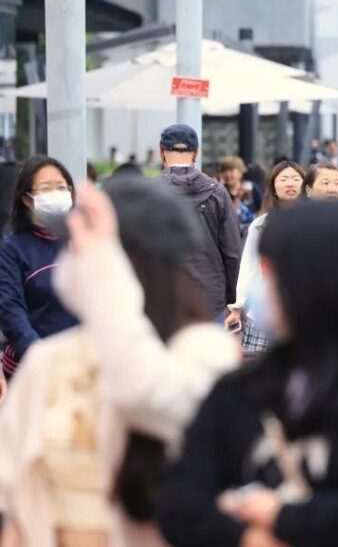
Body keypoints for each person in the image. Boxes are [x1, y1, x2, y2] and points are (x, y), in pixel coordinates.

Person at [157, 200, 338, 547]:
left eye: (276, 272)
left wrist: (278, 516)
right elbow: (179, 501)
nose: (265, 286)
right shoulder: (241, 387)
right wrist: (247, 539)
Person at [0, 178, 240, 547]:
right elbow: (12, 484)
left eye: (84, 247)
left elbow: (145, 392)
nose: (70, 259)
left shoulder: (205, 352)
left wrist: (106, 280)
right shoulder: (49, 358)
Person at [0, 156, 77, 377]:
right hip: (31, 372)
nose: (55, 194)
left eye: (61, 187)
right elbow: (10, 310)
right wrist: (41, 356)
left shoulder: (83, 240)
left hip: (78, 367)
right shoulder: (12, 248)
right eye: (46, 188)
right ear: (27, 199)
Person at [159, 125, 241, 321]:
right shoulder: (218, 192)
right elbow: (232, 253)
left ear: (162, 152)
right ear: (196, 154)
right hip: (210, 301)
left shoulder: (148, 193)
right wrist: (231, 300)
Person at [228, 161, 306, 355]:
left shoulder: (317, 223)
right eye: (284, 179)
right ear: (273, 187)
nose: (290, 184)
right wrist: (237, 308)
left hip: (306, 310)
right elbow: (249, 266)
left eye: (296, 179)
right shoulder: (261, 225)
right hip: (265, 311)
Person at [219, 156, 256, 238]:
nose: (228, 174)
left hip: (251, 234)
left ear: (240, 172)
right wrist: (238, 197)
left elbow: (261, 209)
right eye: (224, 170)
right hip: (230, 237)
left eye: (231, 170)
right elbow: (227, 217)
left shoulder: (251, 188)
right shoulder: (220, 192)